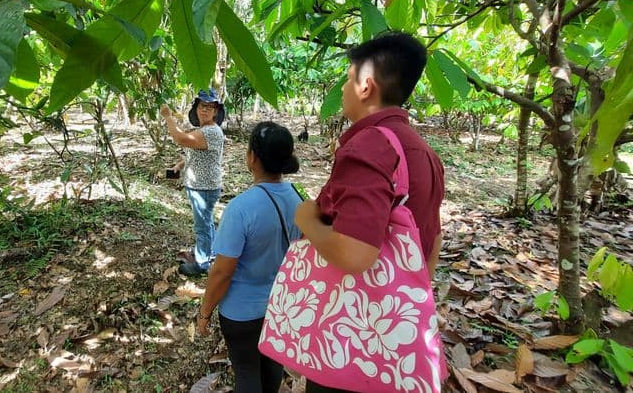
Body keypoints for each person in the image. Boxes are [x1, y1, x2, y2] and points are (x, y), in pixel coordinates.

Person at [293, 32, 445, 392]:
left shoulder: (368, 146)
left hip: (349, 339)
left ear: (365, 86)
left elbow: (354, 252)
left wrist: (306, 218)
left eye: (347, 79)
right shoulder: (425, 152)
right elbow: (432, 241)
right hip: (393, 338)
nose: (343, 89)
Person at [196, 121, 303, 393]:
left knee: (246, 372)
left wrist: (205, 312)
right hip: (279, 306)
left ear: (252, 157)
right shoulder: (298, 199)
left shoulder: (240, 208)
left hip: (242, 312)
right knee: (272, 367)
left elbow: (222, 271)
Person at [160, 88, 225, 276]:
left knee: (202, 226)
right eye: (201, 106)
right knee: (206, 223)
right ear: (196, 109)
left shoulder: (212, 132)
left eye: (209, 107)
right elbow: (196, 151)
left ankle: (202, 264)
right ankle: (208, 253)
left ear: (215, 111)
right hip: (201, 185)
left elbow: (181, 139)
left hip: (203, 187)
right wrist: (181, 164)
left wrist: (168, 117)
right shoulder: (204, 130)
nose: (204, 110)